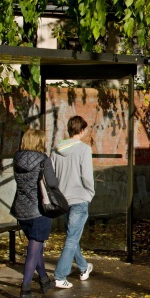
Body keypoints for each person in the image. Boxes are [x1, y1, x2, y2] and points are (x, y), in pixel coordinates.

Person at [11, 128, 59, 298]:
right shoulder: (43, 160)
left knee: (35, 246)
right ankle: (25, 289)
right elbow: (52, 183)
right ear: (40, 142)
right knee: (34, 249)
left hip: (21, 209)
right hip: (39, 210)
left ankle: (44, 280)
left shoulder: (16, 158)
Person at [51, 116, 96, 288]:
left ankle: (84, 267)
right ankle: (60, 276)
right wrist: (90, 192)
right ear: (82, 130)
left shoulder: (56, 150)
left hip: (63, 199)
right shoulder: (84, 149)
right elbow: (87, 176)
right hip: (79, 198)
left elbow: (52, 176)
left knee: (72, 236)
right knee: (71, 238)